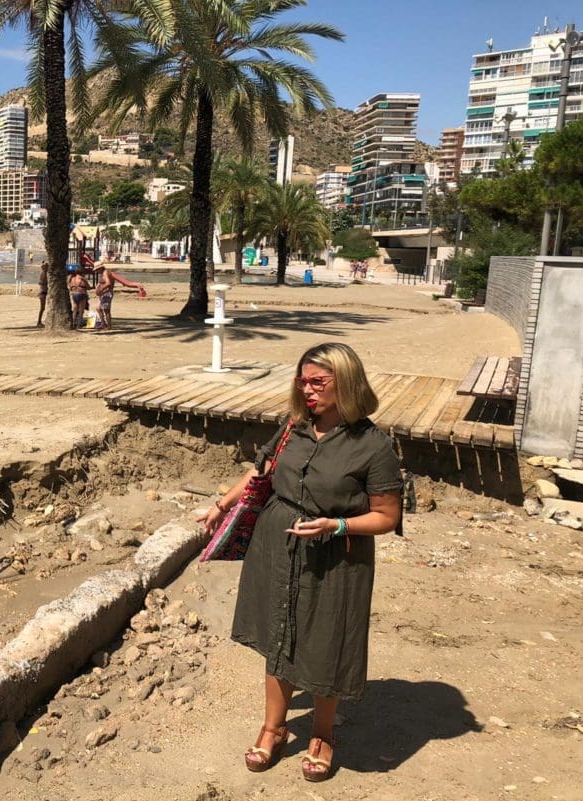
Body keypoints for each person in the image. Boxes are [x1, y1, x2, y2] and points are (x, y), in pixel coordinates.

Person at [196, 342, 402, 782]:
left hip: (337, 554)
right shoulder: (294, 427)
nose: (307, 391)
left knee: (326, 642)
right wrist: (220, 506)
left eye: (317, 383)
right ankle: (274, 727)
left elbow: (387, 516)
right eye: (302, 381)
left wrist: (338, 527)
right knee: (278, 633)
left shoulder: (373, 445)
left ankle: (323, 734)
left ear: (344, 383)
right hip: (277, 542)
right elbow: (260, 472)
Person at [92, 263, 146, 332]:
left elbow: (108, 283)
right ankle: (104, 324)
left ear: (100, 268)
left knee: (106, 310)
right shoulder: (105, 272)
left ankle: (108, 326)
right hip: (103, 293)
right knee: (98, 308)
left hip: (106, 293)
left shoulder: (105, 273)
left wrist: (101, 288)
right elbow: (126, 283)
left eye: (97, 269)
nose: (96, 271)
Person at [36, 261, 49, 328]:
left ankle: (40, 321)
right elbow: (42, 283)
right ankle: (39, 322)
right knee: (42, 308)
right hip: (42, 292)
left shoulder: (44, 273)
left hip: (43, 292)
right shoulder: (43, 274)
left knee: (43, 308)